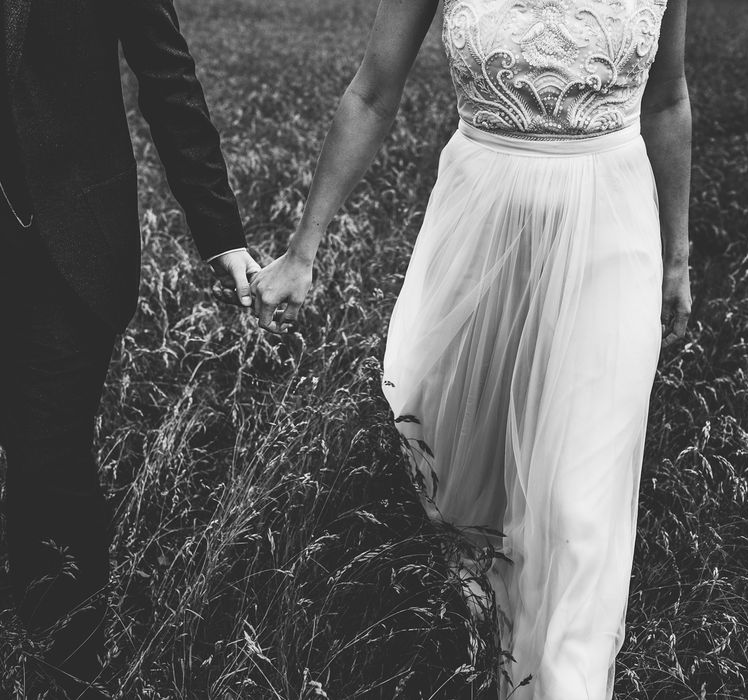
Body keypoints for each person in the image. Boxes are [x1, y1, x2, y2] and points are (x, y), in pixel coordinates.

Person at [248, 0, 692, 697]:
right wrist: (303, 250)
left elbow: (667, 98)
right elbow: (371, 91)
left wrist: (678, 257)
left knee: (578, 503)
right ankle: (489, 643)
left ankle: (563, 682)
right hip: (479, 222)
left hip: (611, 227)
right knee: (444, 440)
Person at [0, 0, 258, 697]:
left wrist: (220, 230)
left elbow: (165, 69)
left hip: (62, 246)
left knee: (46, 467)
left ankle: (63, 677)